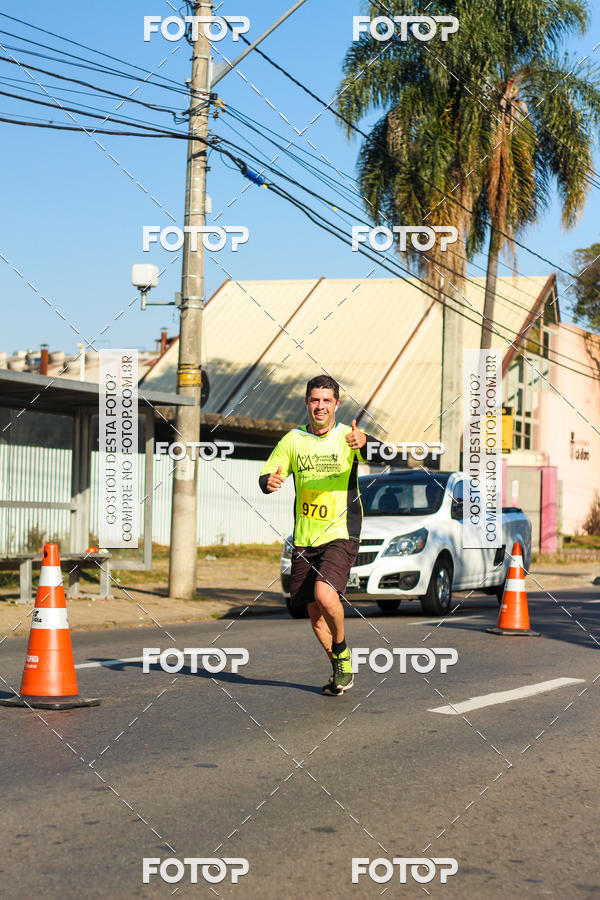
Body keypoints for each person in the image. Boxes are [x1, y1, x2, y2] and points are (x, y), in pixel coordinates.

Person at [259, 375, 382, 695]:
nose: (320, 406)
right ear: (307, 403)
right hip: (304, 537)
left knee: (326, 595)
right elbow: (268, 473)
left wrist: (366, 442)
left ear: (337, 405)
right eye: (315, 400)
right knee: (314, 614)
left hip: (341, 532)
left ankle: (342, 650)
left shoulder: (347, 437)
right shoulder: (293, 439)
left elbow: (386, 453)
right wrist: (268, 483)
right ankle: (341, 668)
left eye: (327, 400)